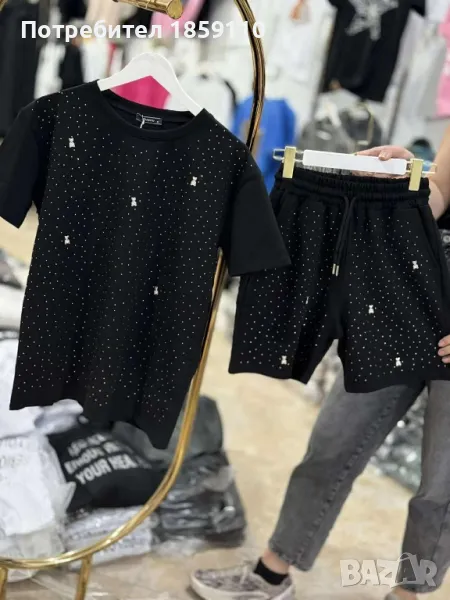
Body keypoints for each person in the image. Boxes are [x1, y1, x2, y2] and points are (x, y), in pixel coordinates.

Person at [190, 131, 450, 600]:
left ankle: (408, 593)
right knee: (334, 439)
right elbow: (442, 192)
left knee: (440, 485)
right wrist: (405, 185)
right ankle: (273, 571)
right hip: (413, 277)